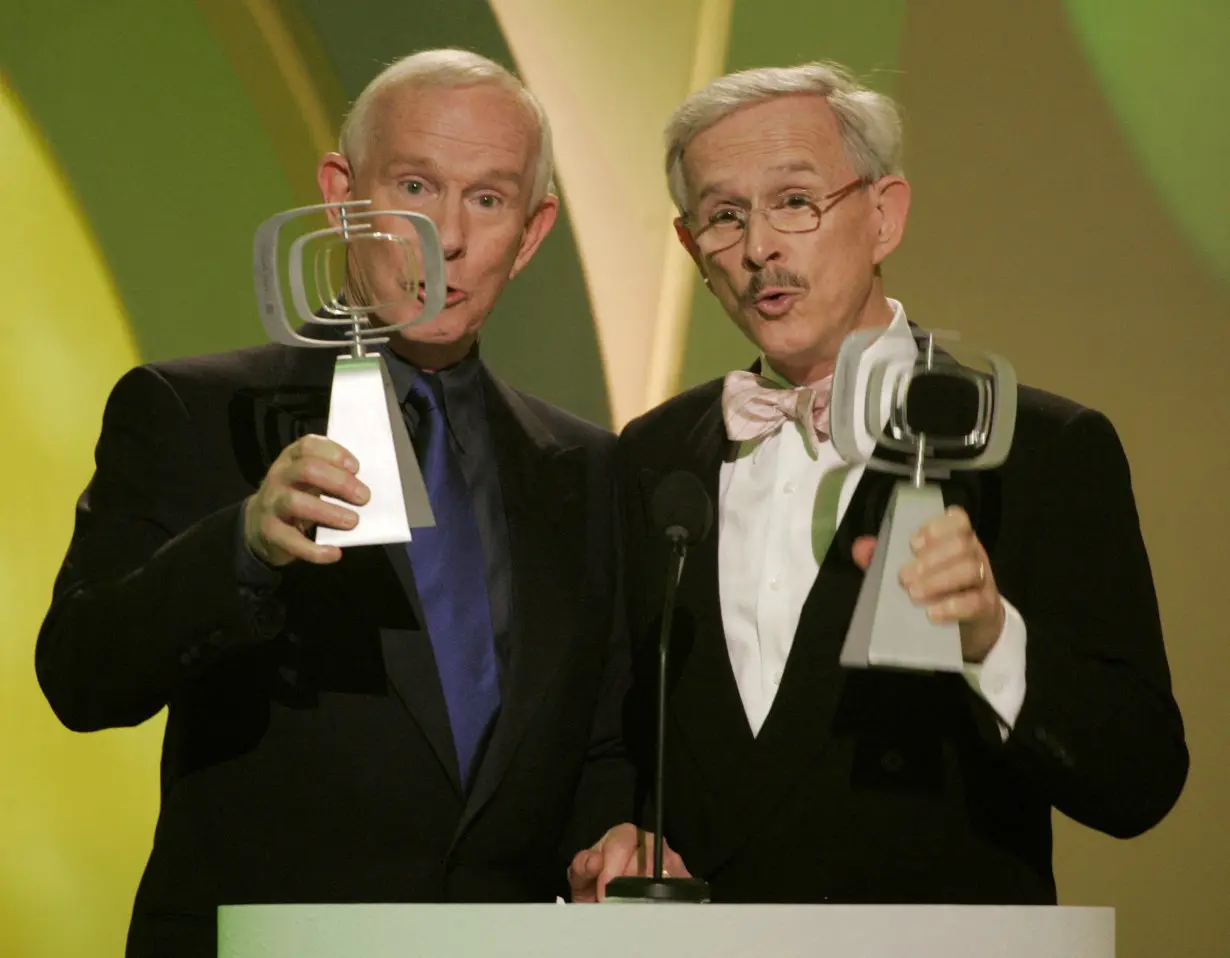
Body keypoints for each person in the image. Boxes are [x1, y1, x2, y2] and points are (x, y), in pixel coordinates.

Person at [36, 50, 634, 957]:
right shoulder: (195, 412)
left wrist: (616, 835)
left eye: (487, 198)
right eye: (416, 186)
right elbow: (81, 674)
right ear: (338, 192)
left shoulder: (587, 468)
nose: (448, 237)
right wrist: (240, 546)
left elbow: (593, 744)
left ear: (534, 227)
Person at [569, 62, 1187, 904]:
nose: (759, 250)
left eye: (795, 202)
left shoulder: (1039, 449)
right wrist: (612, 826)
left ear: (884, 215)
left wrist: (989, 639)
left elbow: (1138, 778)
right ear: (690, 247)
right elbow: (612, 730)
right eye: (723, 216)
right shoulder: (654, 456)